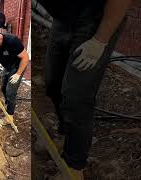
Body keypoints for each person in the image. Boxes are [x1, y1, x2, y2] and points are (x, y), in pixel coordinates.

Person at [36, 0, 132, 179]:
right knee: (52, 85)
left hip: (96, 19)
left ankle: (75, 166)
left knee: (76, 98)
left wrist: (100, 40)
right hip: (63, 20)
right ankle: (66, 136)